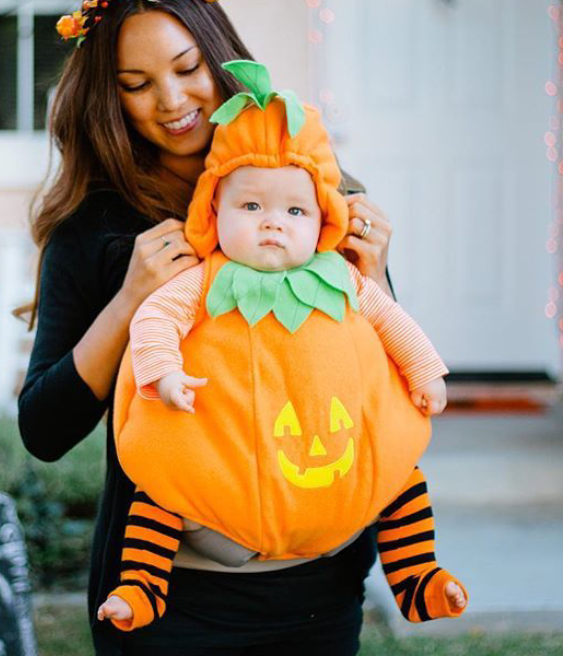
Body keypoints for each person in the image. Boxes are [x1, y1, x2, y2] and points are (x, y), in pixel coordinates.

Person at [19, 0, 408, 654]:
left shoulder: (312, 195)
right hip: (164, 596)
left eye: (186, 66)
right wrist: (132, 302)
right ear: (108, 97)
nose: (170, 100)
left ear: (222, 57)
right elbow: (43, 431)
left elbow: (386, 375)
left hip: (318, 587)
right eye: (135, 85)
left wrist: (375, 277)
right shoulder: (97, 230)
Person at [96, 61, 467, 631]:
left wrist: (426, 374)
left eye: (294, 211)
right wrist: (163, 374)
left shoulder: (340, 277)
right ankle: (140, 587)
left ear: (322, 220)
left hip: (322, 433)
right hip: (224, 458)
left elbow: (392, 322)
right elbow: (155, 320)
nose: (273, 224)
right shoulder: (203, 279)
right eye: (251, 208)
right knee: (162, 486)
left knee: (401, 471)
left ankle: (418, 577)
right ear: (212, 211)